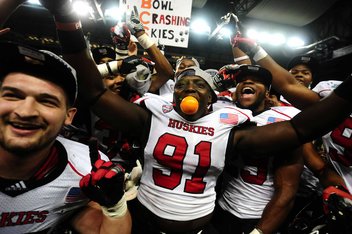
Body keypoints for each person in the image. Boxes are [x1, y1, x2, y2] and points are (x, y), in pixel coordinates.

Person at [0, 41, 131, 233]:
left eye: (47, 101)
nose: (26, 111)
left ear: (69, 116)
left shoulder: (85, 167)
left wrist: (114, 206)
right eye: (13, 96)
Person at [212, 64, 304, 234]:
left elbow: (287, 188)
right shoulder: (222, 113)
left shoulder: (283, 121)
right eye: (243, 81)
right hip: (221, 207)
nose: (248, 82)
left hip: (258, 215)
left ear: (268, 94)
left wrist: (260, 231)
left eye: (257, 81)